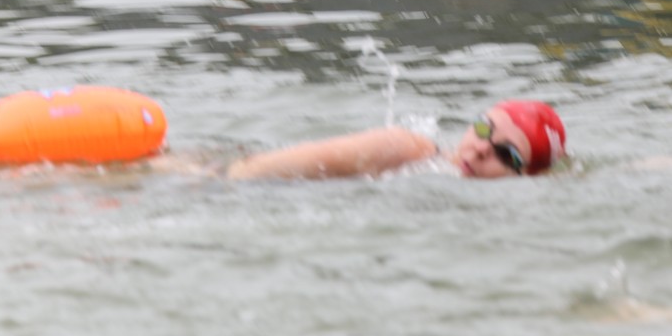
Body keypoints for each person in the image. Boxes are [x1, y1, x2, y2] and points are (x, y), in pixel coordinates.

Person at [223, 100, 566, 181]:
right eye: (482, 128)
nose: (479, 150)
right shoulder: (403, 149)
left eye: (506, 155)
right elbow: (242, 173)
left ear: (527, 177)